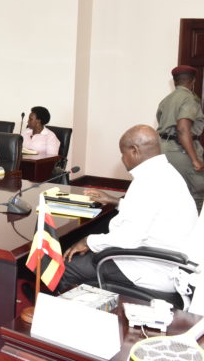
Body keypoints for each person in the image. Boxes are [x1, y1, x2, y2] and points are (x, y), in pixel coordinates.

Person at [59, 125, 198, 293]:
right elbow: (149, 212)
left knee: (65, 267)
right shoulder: (167, 172)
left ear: (134, 150)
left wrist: (88, 241)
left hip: (149, 267)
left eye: (123, 154)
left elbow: (128, 239)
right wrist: (115, 201)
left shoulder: (146, 181)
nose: (123, 159)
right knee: (91, 248)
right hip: (170, 263)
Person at [157, 65, 204, 209]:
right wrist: (195, 159)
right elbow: (183, 129)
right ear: (193, 81)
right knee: (197, 194)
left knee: (170, 194)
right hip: (182, 150)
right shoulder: (189, 99)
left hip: (162, 149)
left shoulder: (166, 100)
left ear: (174, 81)